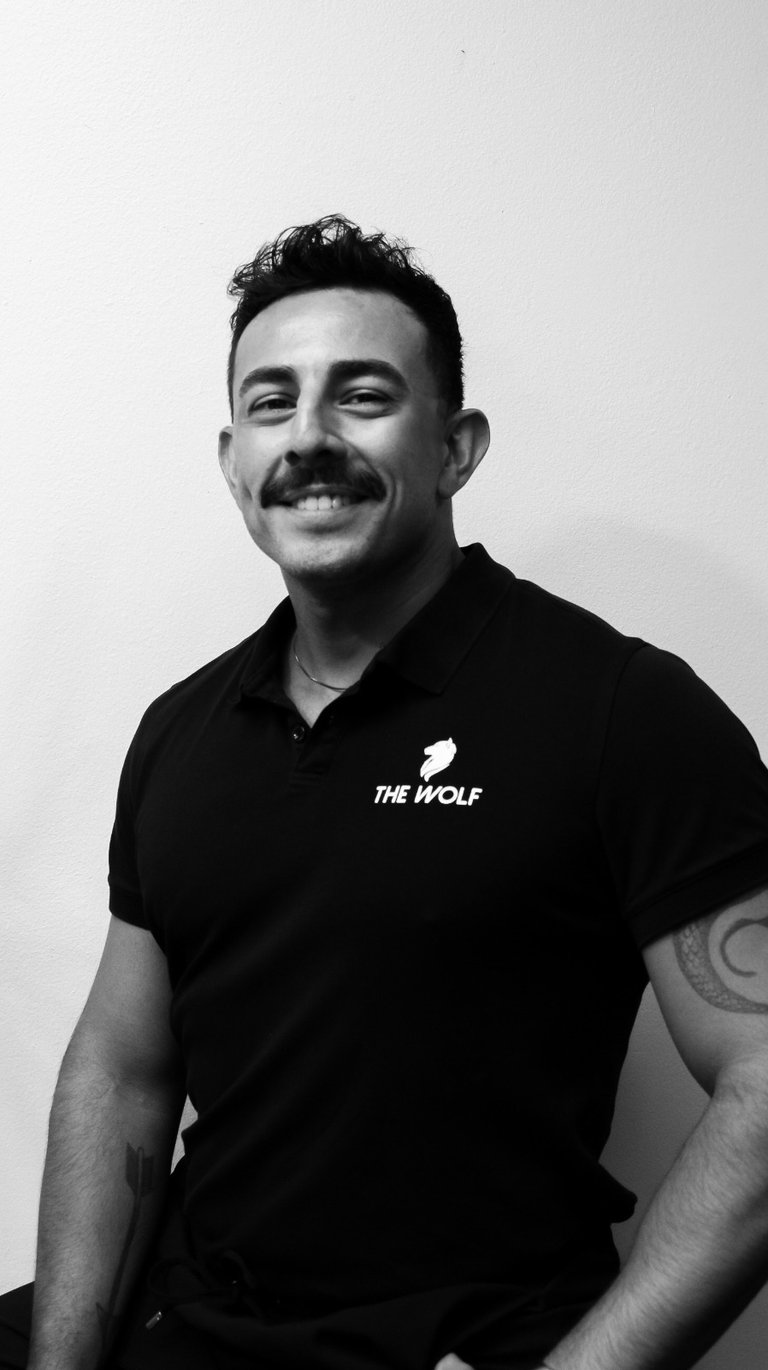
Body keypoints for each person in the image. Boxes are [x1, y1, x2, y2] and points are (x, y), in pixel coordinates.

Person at [3, 215, 768, 1370]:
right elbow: (123, 1072)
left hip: (463, 1341)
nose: (309, 437)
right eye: (272, 404)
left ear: (457, 447)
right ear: (232, 461)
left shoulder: (620, 709)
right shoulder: (181, 731)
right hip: (194, 1313)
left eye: (362, 396)